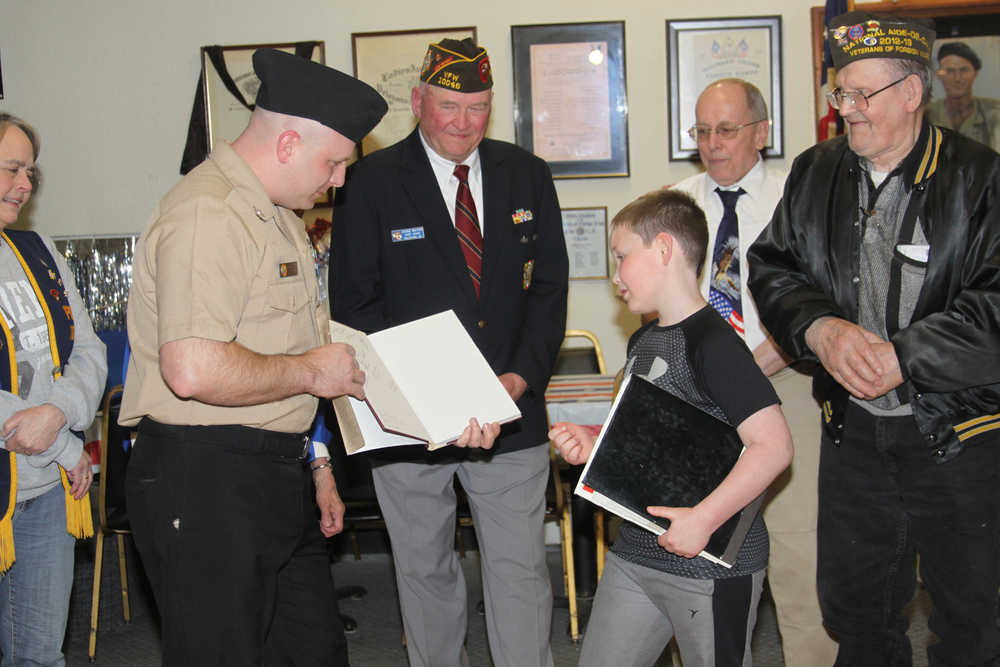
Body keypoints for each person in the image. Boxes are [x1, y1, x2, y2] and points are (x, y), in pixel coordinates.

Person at [120, 49, 407, 667]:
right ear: (287, 144)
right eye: (332, 163)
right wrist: (313, 374)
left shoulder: (276, 212)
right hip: (205, 481)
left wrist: (317, 464)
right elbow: (192, 368)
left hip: (271, 473)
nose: (338, 180)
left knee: (313, 651)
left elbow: (285, 347)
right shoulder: (211, 212)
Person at [748, 12, 1000, 666]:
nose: (846, 112)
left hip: (957, 435)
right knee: (855, 612)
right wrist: (819, 329)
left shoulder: (982, 178)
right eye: (840, 94)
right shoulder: (816, 172)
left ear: (913, 93)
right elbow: (773, 266)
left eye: (862, 96)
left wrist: (904, 356)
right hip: (853, 432)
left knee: (973, 621)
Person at [331, 38, 568, 667]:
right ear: (417, 102)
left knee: (520, 575)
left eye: (478, 107)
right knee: (424, 574)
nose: (464, 122)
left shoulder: (527, 175)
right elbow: (354, 308)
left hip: (510, 416)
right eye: (448, 106)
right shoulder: (367, 184)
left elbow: (548, 292)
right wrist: (424, 401)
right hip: (410, 426)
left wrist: (518, 378)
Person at [550, 189, 793, 667]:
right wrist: (595, 444)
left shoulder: (715, 346)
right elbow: (651, 435)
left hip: (711, 566)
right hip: (638, 553)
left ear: (663, 250)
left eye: (621, 257)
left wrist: (703, 519)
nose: (615, 276)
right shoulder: (645, 339)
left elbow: (774, 446)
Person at [671, 79, 837, 666]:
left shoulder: (802, 195)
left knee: (799, 553)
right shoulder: (676, 203)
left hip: (787, 383)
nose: (713, 144)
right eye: (703, 131)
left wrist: (759, 362)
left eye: (727, 130)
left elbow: (825, 298)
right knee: (700, 553)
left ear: (761, 132)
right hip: (704, 397)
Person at [0, 113, 107, 665]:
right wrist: (66, 445)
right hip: (31, 473)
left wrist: (57, 413)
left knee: (41, 657)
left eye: (31, 173)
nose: (26, 184)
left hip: (44, 496)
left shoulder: (36, 250)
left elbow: (90, 351)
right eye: (13, 169)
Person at [924, 41, 1000, 152]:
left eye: (964, 70)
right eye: (950, 71)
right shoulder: (927, 114)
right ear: (939, 75)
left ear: (975, 73)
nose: (957, 78)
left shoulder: (994, 113)